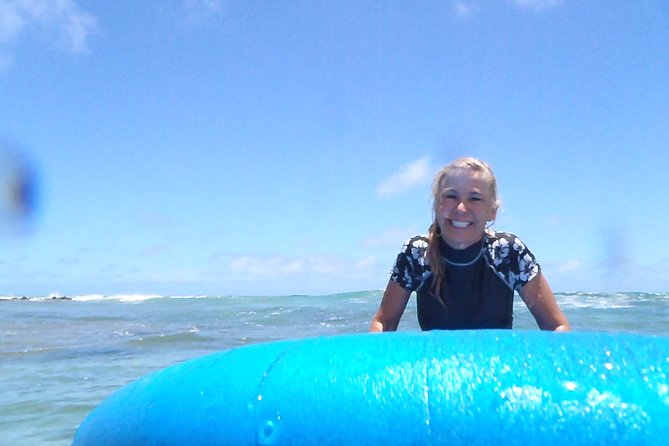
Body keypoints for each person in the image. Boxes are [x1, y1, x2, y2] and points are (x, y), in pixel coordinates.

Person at [370, 157, 570, 332]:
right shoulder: (417, 254)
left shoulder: (507, 252)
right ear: (436, 204)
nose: (461, 208)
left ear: (493, 211)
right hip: (437, 369)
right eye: (451, 196)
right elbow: (384, 322)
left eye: (474, 198)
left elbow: (555, 326)